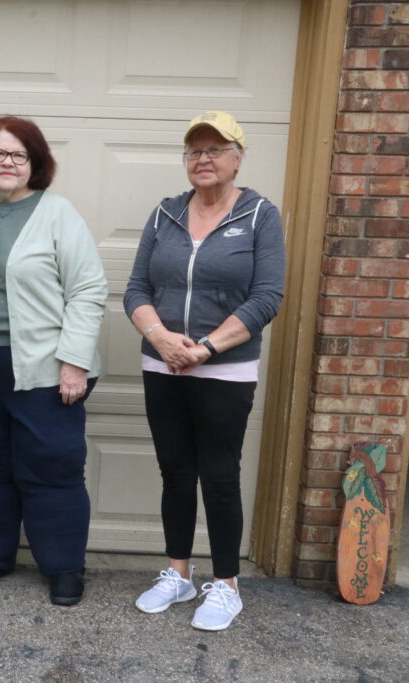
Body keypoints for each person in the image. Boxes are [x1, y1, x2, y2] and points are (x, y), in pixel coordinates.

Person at [124, 111, 285, 631]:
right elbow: (136, 290)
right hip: (163, 363)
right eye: (195, 150)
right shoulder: (164, 214)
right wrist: (161, 338)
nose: (204, 159)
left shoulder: (260, 215)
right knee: (175, 472)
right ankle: (178, 573)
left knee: (218, 475)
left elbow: (267, 297)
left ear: (238, 158)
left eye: (216, 149)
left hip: (225, 368)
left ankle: (226, 585)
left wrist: (207, 348)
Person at [0, 116, 107, 606]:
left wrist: (74, 360)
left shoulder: (57, 213)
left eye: (18, 155)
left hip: (45, 364)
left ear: (35, 163)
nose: (7, 163)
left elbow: (88, 289)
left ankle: (63, 567)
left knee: (52, 463)